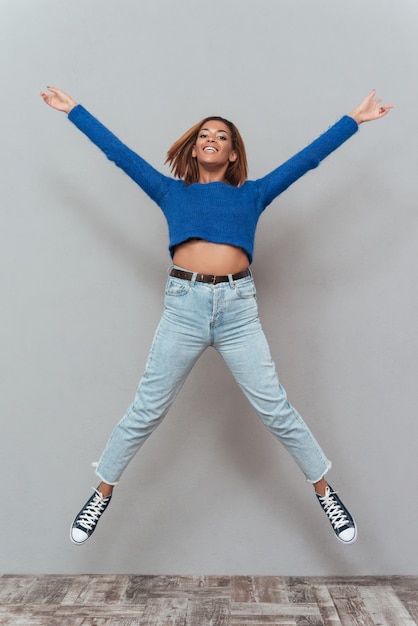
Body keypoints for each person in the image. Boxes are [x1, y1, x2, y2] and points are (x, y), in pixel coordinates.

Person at [40, 86, 393, 546]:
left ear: (231, 153)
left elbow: (307, 160)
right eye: (204, 134)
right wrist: (75, 112)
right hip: (184, 308)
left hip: (237, 311)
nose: (211, 138)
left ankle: (325, 490)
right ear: (194, 148)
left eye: (221, 136)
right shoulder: (170, 191)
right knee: (147, 409)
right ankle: (102, 490)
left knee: (275, 408)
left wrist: (354, 119)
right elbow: (119, 156)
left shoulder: (254, 193)